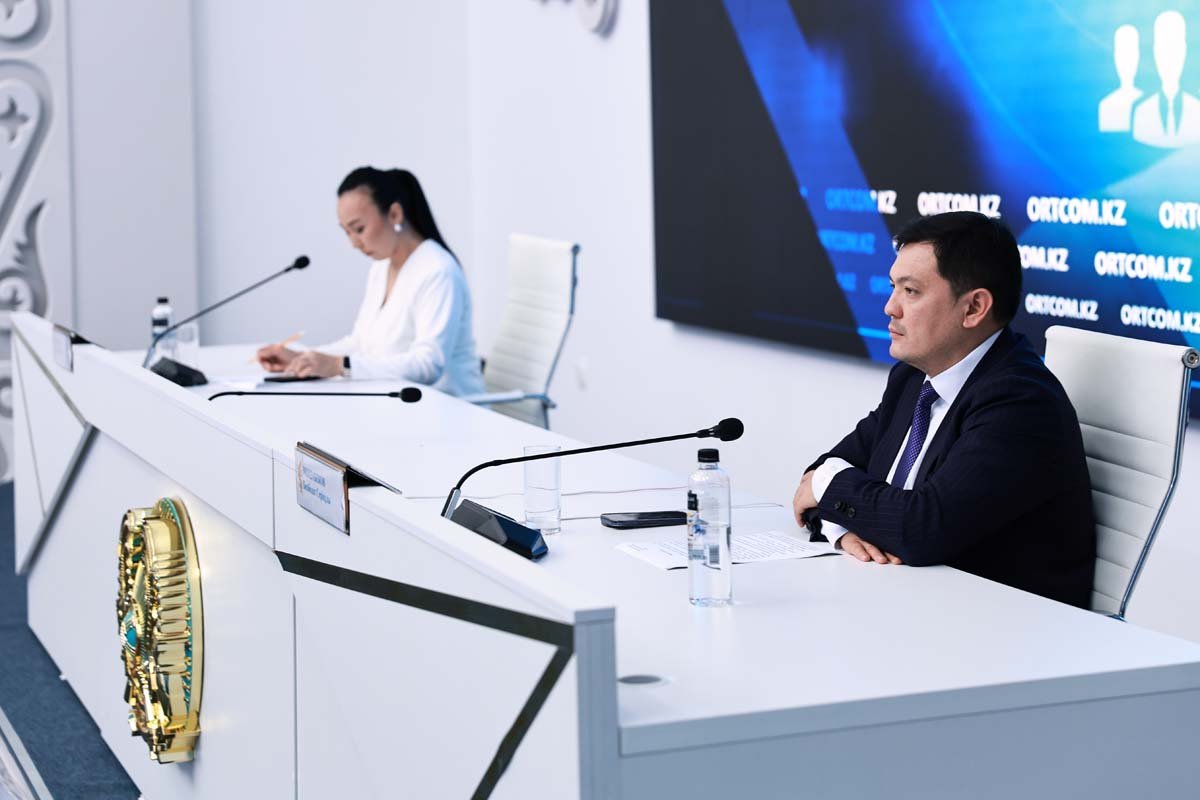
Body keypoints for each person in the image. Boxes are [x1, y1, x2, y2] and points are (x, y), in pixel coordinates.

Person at [791, 211, 1095, 608]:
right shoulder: (912, 378)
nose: (890, 308)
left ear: (974, 308)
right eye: (893, 287)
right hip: (906, 601)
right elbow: (820, 474)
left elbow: (922, 528)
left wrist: (828, 488)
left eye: (911, 291)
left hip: (1001, 621)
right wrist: (842, 530)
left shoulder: (1019, 401)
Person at [256, 167, 486, 396]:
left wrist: (338, 366)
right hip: (397, 400)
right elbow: (361, 343)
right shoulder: (381, 267)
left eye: (359, 229)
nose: (354, 243)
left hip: (446, 406)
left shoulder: (438, 270)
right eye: (347, 232)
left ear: (395, 214)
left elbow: (427, 365)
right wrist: (304, 358)